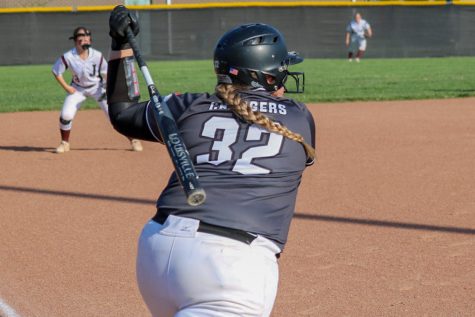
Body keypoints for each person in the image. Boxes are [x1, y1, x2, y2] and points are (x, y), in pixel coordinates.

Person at [107, 5, 316, 317]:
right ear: (265, 78)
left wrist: (120, 43)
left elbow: (122, 113)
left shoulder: (189, 105)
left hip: (158, 247)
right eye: (280, 70)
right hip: (229, 268)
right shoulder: (299, 119)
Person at [52, 26, 143, 153]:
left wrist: (106, 88)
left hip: (97, 88)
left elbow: (106, 73)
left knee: (116, 115)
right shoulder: (68, 57)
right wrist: (67, 87)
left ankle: (134, 140)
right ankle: (64, 143)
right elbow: (56, 71)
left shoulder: (97, 56)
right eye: (81, 36)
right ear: (75, 40)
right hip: (77, 89)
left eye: (87, 36)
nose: (85, 38)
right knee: (66, 115)